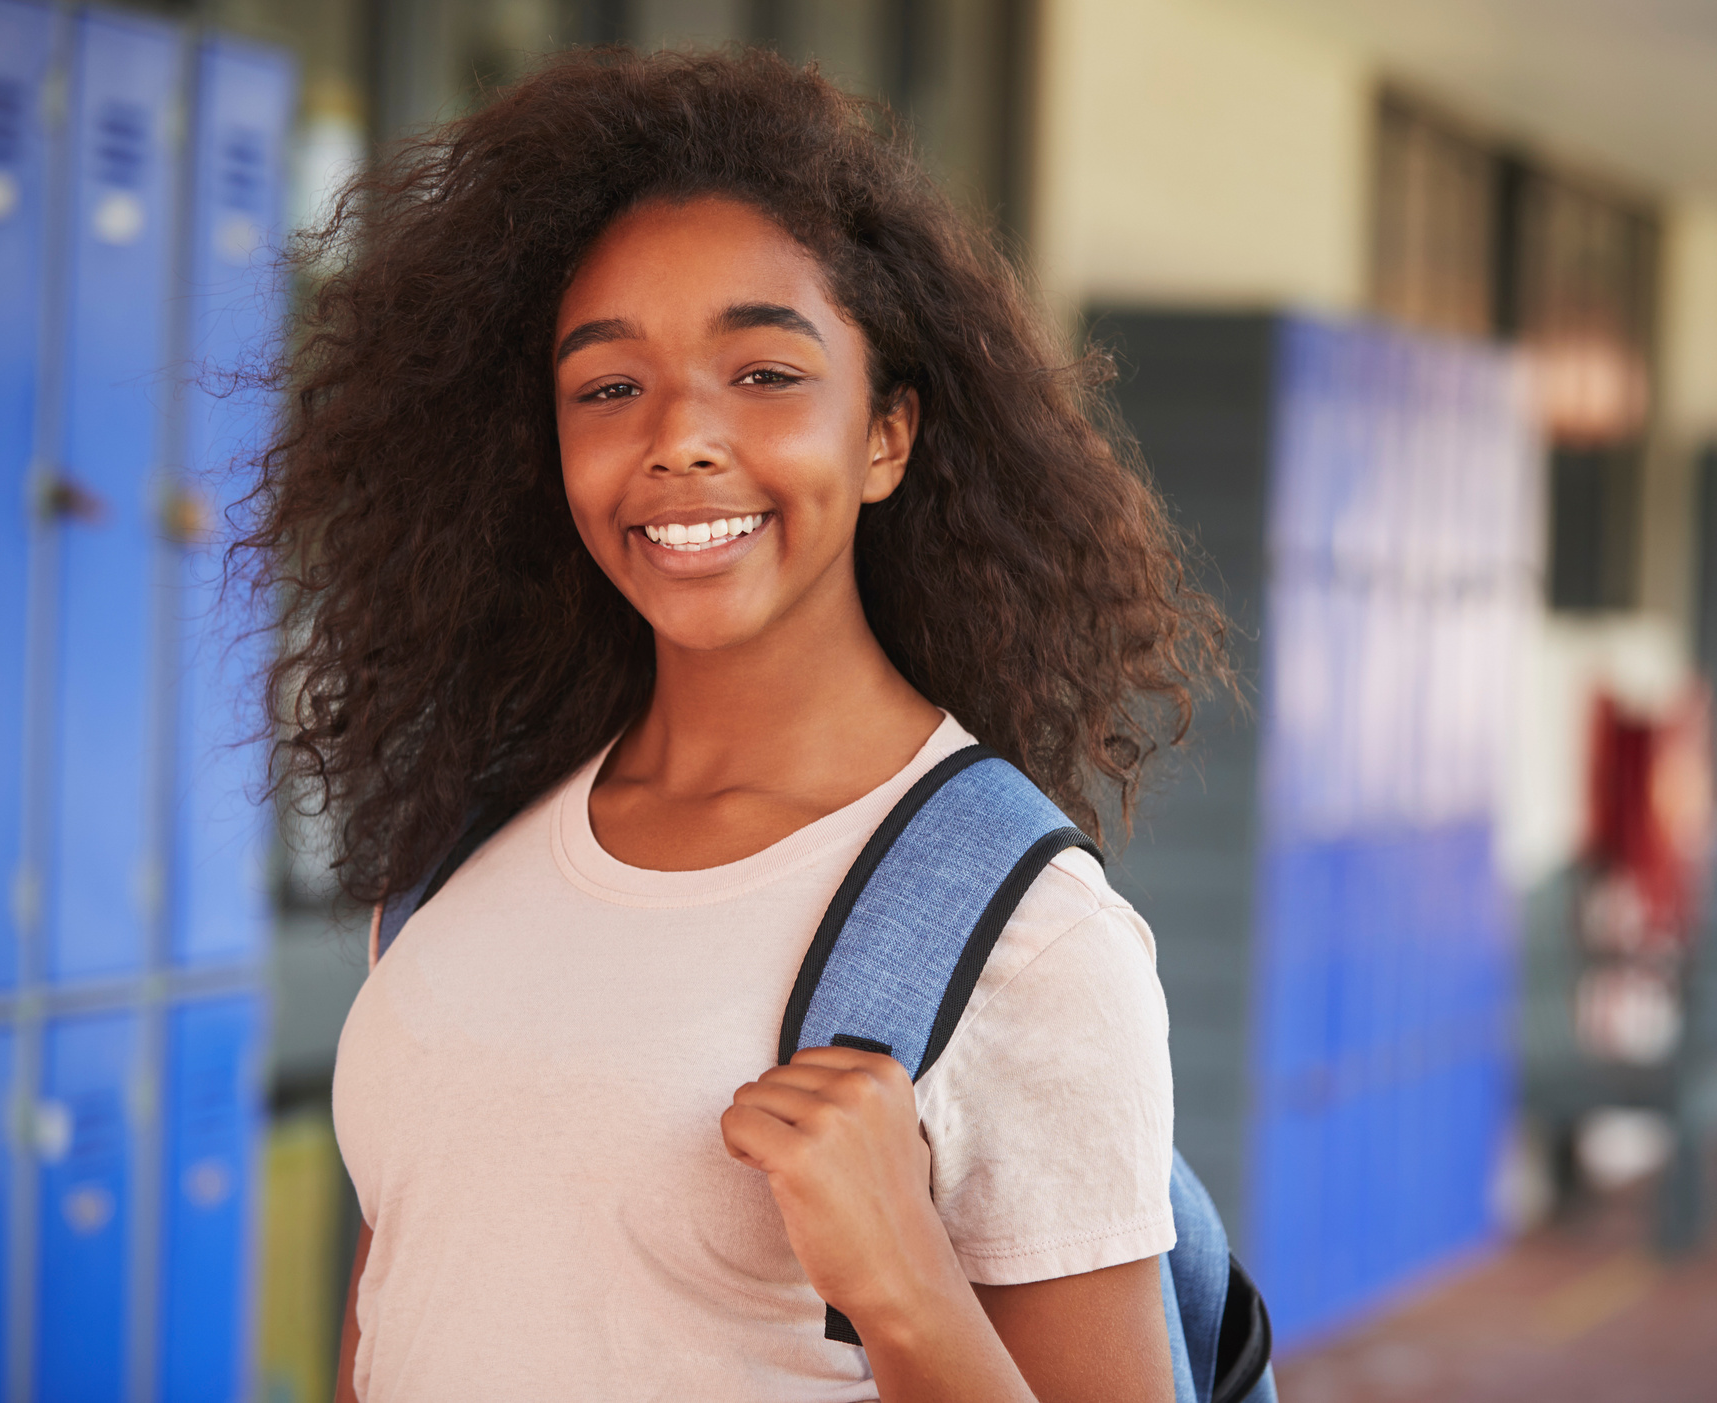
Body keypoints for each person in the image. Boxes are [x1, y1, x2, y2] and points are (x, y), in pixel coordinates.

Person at [246, 46, 1225, 1403]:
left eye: (763, 374)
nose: (679, 438)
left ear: (885, 435)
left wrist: (903, 1289)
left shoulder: (1024, 940)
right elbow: (405, 1309)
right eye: (607, 387)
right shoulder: (461, 849)